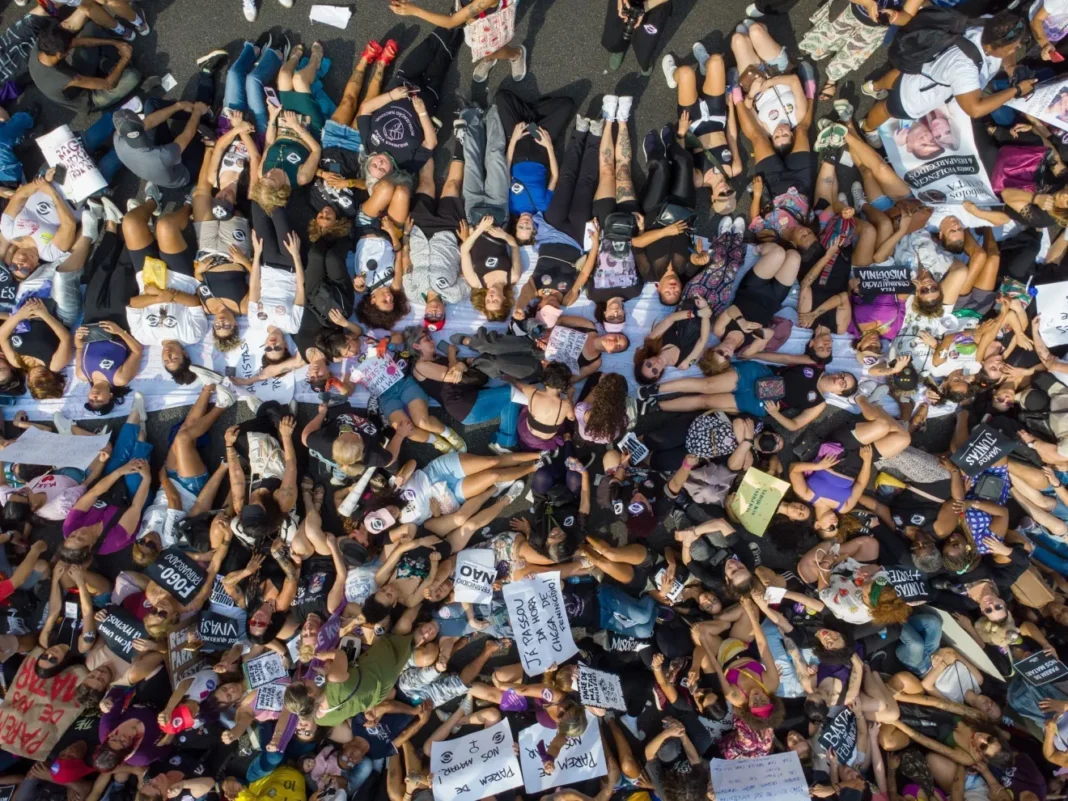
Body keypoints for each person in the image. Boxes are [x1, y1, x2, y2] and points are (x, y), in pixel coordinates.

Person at [29, 19, 139, 112]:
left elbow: (78, 42)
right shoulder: (64, 78)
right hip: (88, 97)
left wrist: (114, 43)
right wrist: (125, 58)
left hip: (76, 74)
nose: (71, 47)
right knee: (133, 77)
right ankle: (107, 64)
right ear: (60, 54)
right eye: (68, 49)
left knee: (92, 27)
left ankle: (104, 64)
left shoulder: (42, 45)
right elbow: (109, 84)